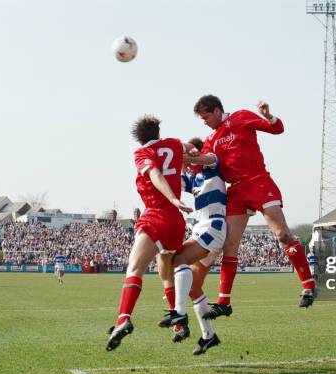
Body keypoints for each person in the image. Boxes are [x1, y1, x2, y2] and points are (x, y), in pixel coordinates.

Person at [191, 95, 316, 319]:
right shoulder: (211, 138)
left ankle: (308, 284)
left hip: (258, 182)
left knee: (283, 234)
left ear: (218, 111)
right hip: (236, 192)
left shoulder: (241, 117)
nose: (205, 122)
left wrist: (268, 116)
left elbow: (278, 129)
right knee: (230, 245)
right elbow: (207, 163)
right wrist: (189, 159)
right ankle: (224, 302)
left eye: (206, 117)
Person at [106, 115, 194, 352]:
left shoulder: (141, 154)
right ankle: (179, 322)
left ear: (139, 138)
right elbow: (192, 147)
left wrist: (173, 199)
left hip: (158, 213)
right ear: (158, 132)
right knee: (165, 270)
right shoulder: (175, 144)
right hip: (177, 222)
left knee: (134, 269)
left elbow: (155, 175)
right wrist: (186, 160)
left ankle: (123, 318)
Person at [162, 137, 227, 355]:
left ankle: (179, 314)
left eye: (190, 159)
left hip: (213, 226)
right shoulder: (195, 178)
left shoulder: (212, 165)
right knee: (192, 287)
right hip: (203, 229)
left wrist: (184, 153)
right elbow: (174, 182)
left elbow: (206, 158)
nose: (188, 166)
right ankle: (209, 336)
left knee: (178, 260)